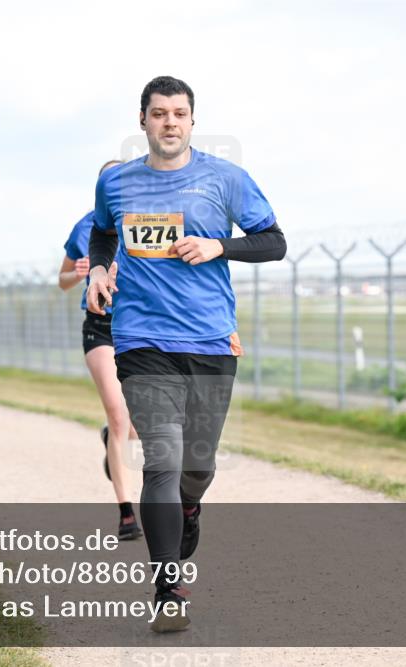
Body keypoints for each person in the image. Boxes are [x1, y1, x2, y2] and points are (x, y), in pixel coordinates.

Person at [87, 76, 286, 632]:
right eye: (158, 113)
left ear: (192, 121)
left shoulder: (226, 179)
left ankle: (190, 507)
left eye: (179, 113)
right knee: (163, 462)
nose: (169, 122)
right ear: (143, 121)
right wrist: (101, 269)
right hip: (142, 341)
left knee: (196, 469)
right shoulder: (118, 184)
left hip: (210, 342)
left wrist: (220, 244)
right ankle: (168, 588)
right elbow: (102, 234)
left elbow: (274, 242)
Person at [59, 160, 143, 541]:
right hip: (101, 327)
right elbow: (61, 280)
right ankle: (127, 513)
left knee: (140, 425)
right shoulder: (86, 226)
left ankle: (114, 435)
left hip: (140, 328)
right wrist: (78, 274)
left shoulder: (146, 221)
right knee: (119, 414)